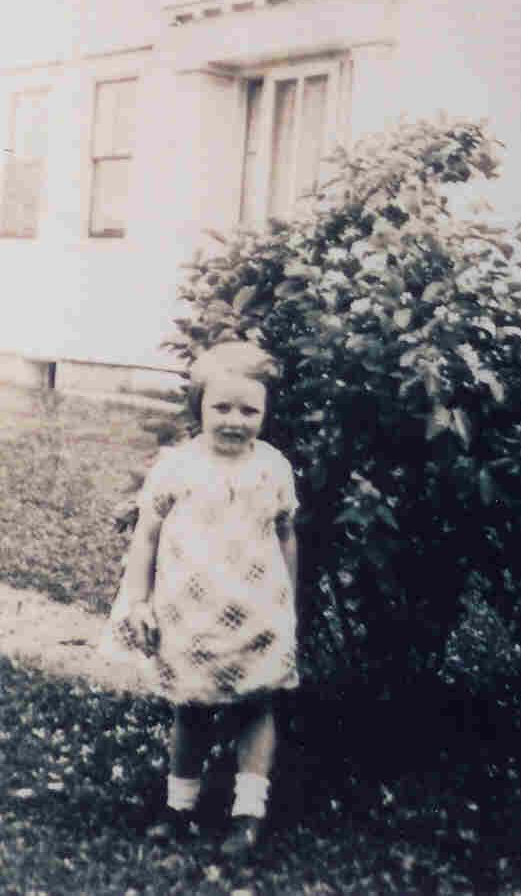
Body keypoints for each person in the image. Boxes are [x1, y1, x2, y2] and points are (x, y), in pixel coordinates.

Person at [105, 341, 298, 858]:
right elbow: (147, 536)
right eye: (222, 407)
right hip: (189, 615)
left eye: (249, 410)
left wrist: (290, 605)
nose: (235, 420)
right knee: (190, 708)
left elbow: (286, 535)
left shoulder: (273, 468)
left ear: (266, 411)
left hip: (258, 612)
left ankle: (249, 812)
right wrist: (138, 600)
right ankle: (179, 806)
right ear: (199, 407)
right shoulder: (177, 467)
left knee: (257, 703)